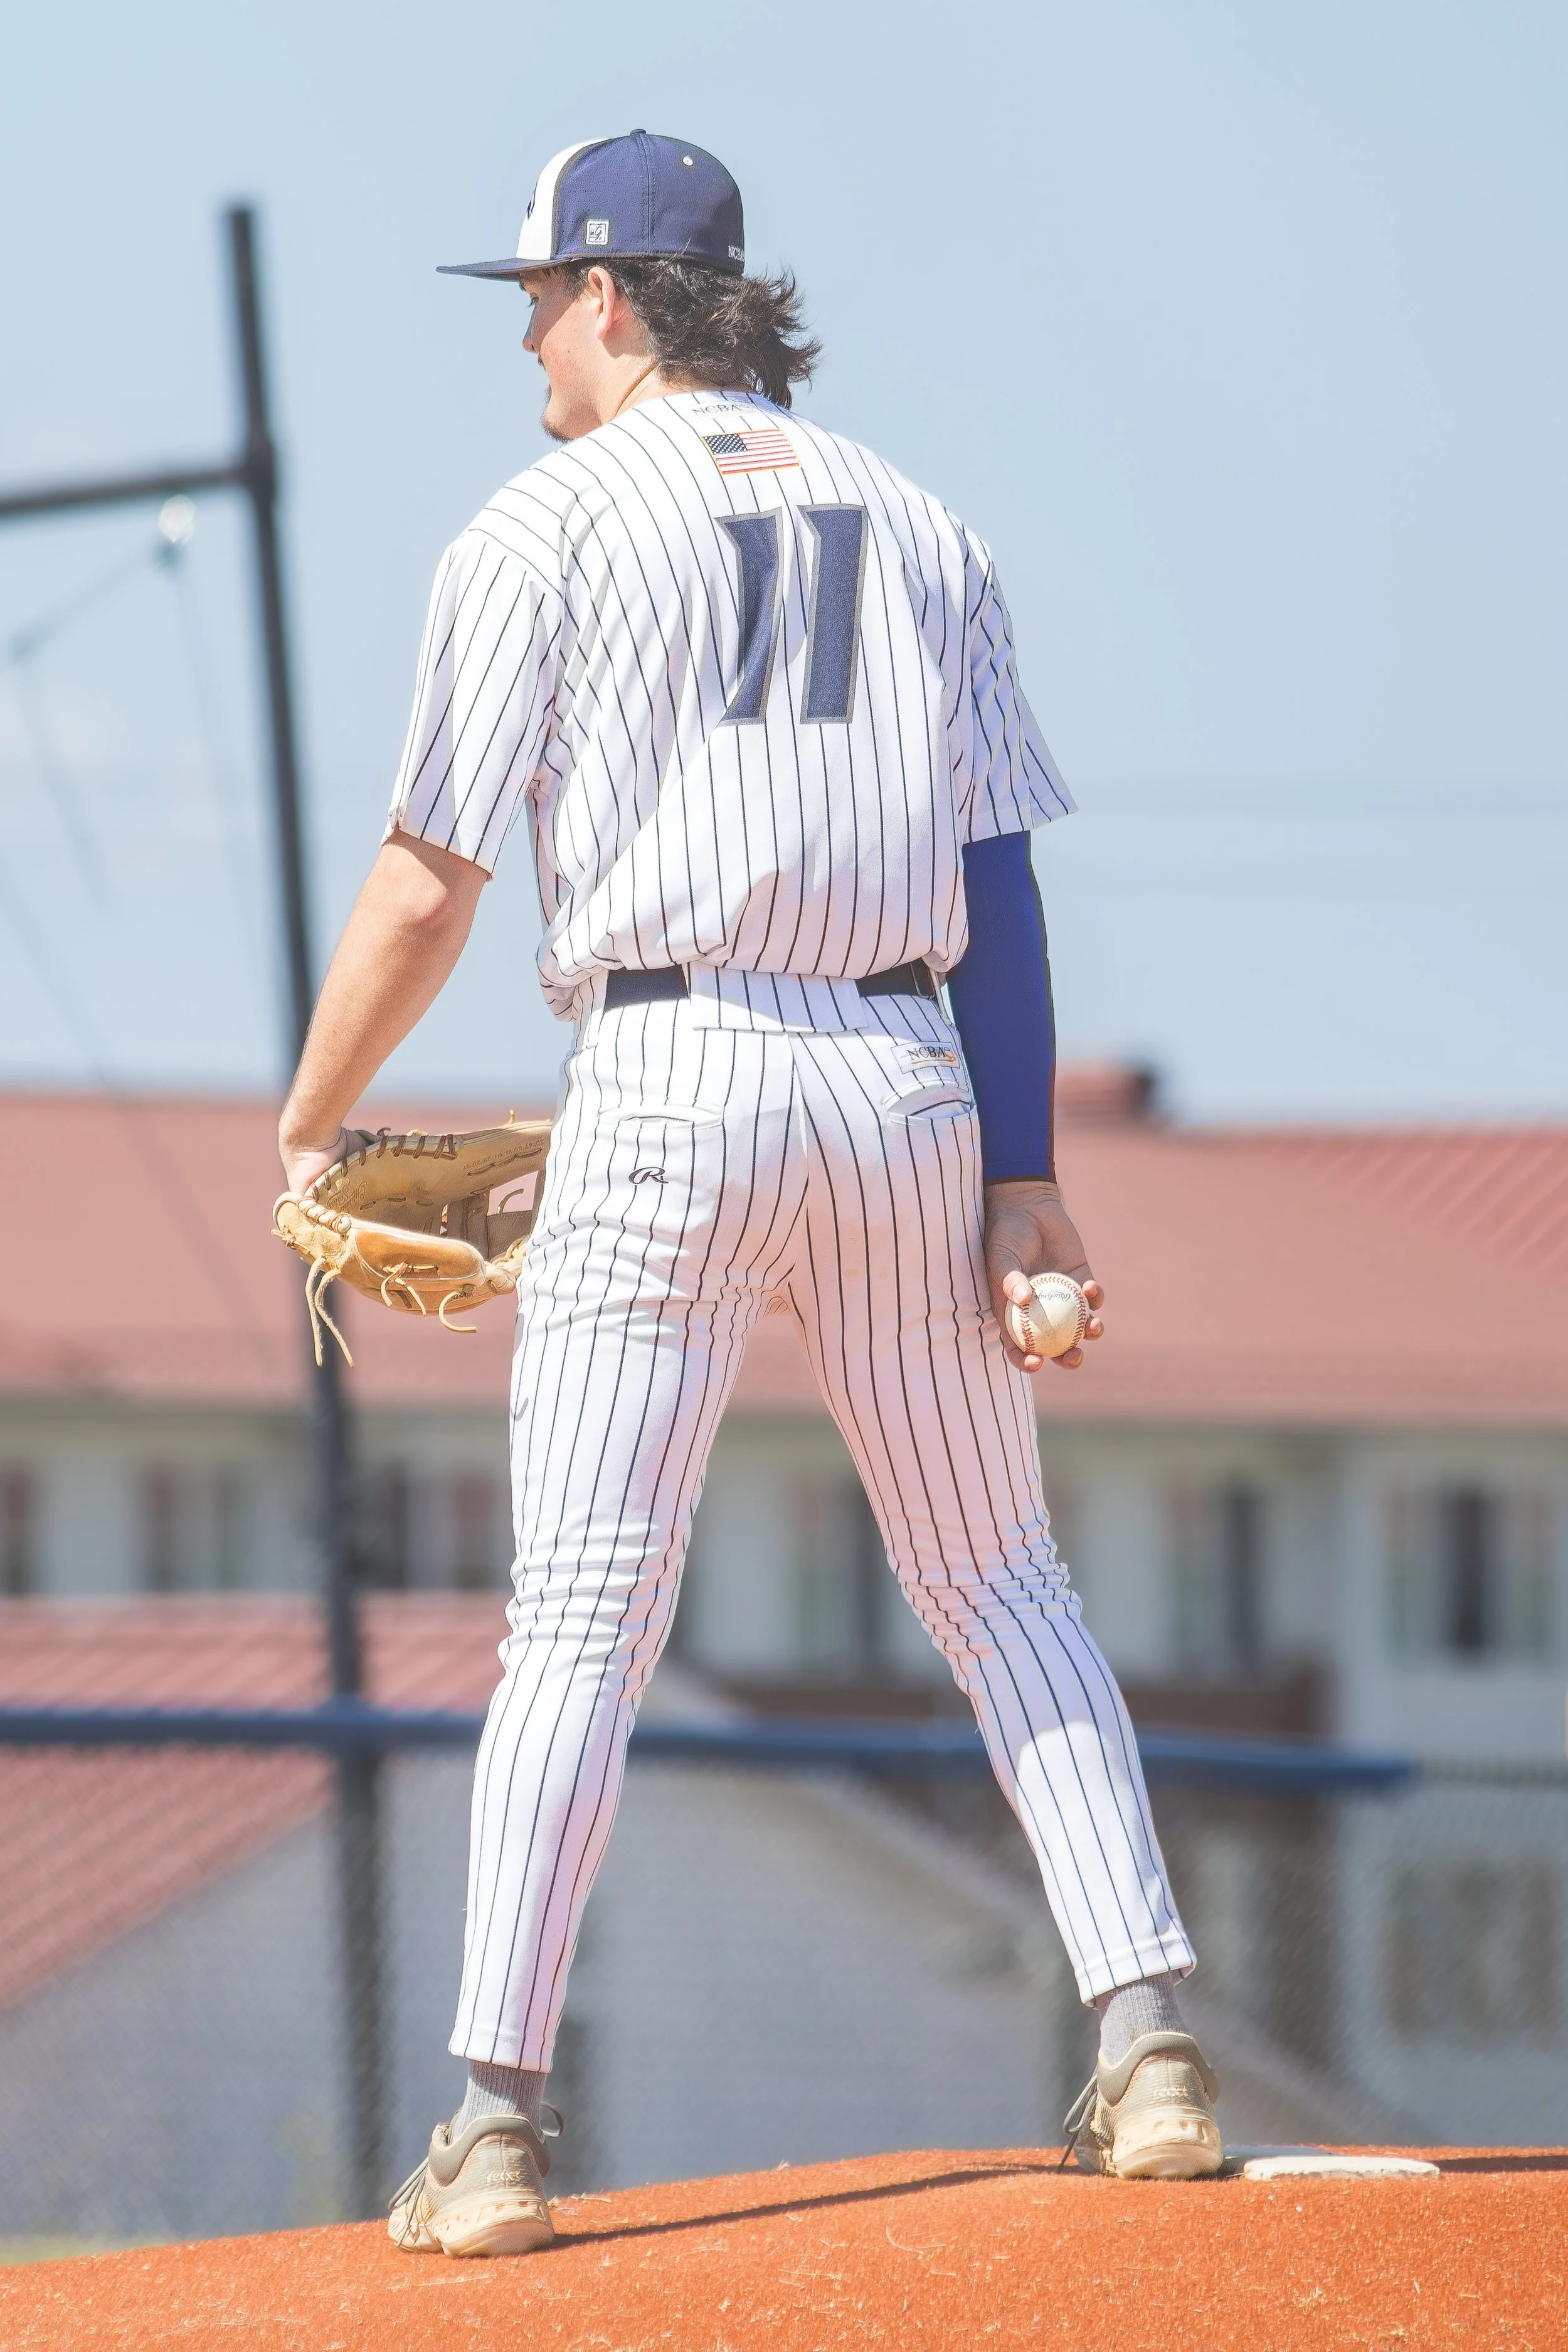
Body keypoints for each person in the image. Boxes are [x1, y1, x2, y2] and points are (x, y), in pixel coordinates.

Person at [278, 130, 1221, 2258]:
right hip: (901, 1075)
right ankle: (1150, 2036)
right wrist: (1027, 1169)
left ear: (614, 292)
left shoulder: (534, 526)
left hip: (670, 1065)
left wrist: (311, 1111)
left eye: (533, 292)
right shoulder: (928, 520)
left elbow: (431, 879)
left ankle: (496, 2129)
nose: (523, 330)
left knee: (584, 1619)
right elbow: (996, 880)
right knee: (999, 1584)